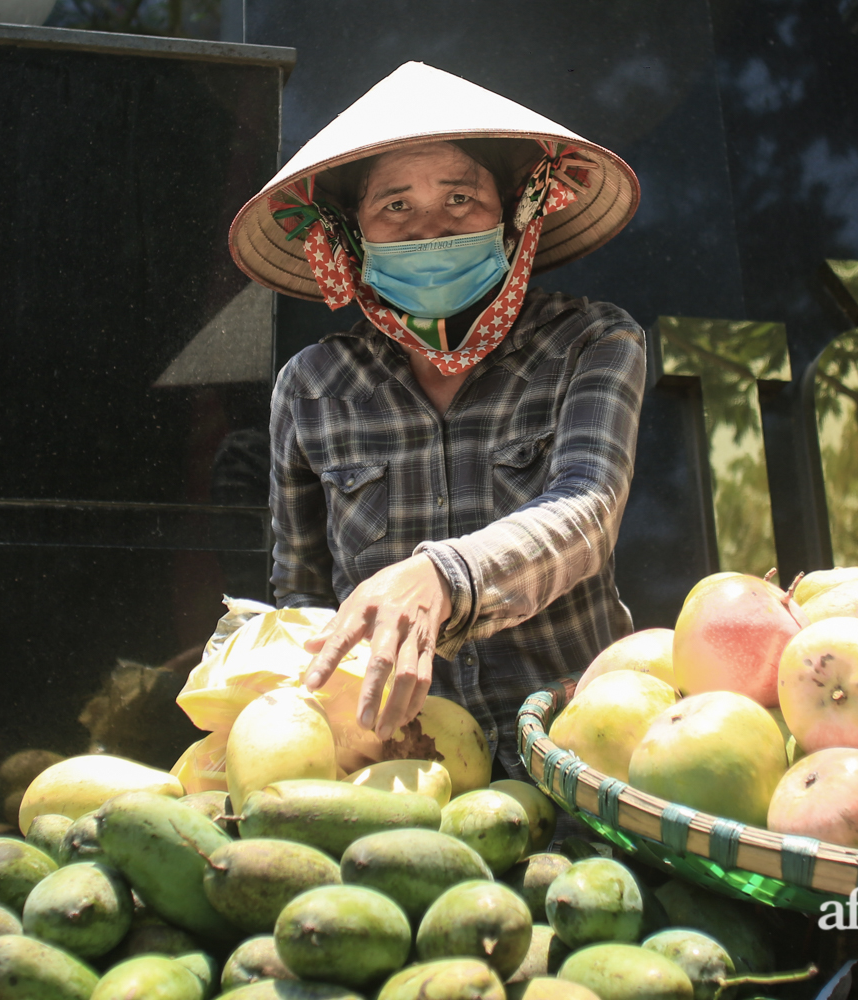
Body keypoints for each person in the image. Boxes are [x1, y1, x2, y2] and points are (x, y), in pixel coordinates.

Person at [228, 62, 644, 778]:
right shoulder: (312, 386)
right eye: (395, 206)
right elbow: (300, 591)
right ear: (350, 235)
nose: (429, 230)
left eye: (460, 198)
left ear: (513, 214)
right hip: (400, 767)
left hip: (584, 756)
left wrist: (443, 578)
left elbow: (589, 507)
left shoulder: (592, 341)